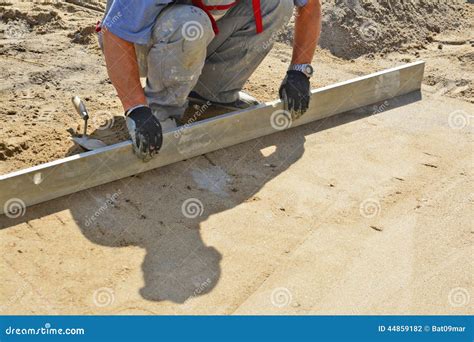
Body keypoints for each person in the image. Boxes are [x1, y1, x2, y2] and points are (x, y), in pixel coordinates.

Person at [99, 0, 321, 160]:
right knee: (190, 24)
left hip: (194, 27)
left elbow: (309, 4)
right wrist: (136, 108)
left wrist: (299, 71)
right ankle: (159, 111)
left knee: (276, 3)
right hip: (135, 44)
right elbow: (115, 33)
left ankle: (211, 94)